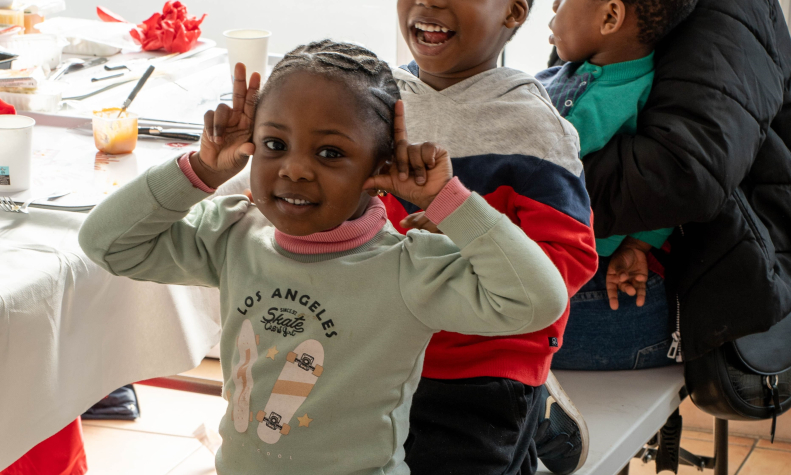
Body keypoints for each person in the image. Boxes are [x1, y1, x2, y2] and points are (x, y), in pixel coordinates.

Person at [77, 41, 571, 475]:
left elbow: (537, 301)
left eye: (330, 154)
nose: (293, 168)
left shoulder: (409, 266)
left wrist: (449, 201)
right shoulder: (232, 235)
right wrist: (200, 168)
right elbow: (106, 242)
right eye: (274, 144)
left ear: (380, 167)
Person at [388, 0, 598, 473]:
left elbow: (566, 260)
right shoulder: (377, 101)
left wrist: (464, 230)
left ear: (514, 13)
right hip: (381, 354)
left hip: (481, 371)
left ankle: (535, 404)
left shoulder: (531, 125)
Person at [578, 0, 791, 364]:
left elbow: (680, 175)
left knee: (469, 322)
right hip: (652, 254)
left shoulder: (726, 8)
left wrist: (527, 182)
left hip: (683, 281)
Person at [536, 0, 697, 379]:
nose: (554, 6)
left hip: (571, 267)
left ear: (610, 17)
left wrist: (638, 243)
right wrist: (639, 244)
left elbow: (668, 186)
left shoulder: (612, 100)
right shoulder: (589, 70)